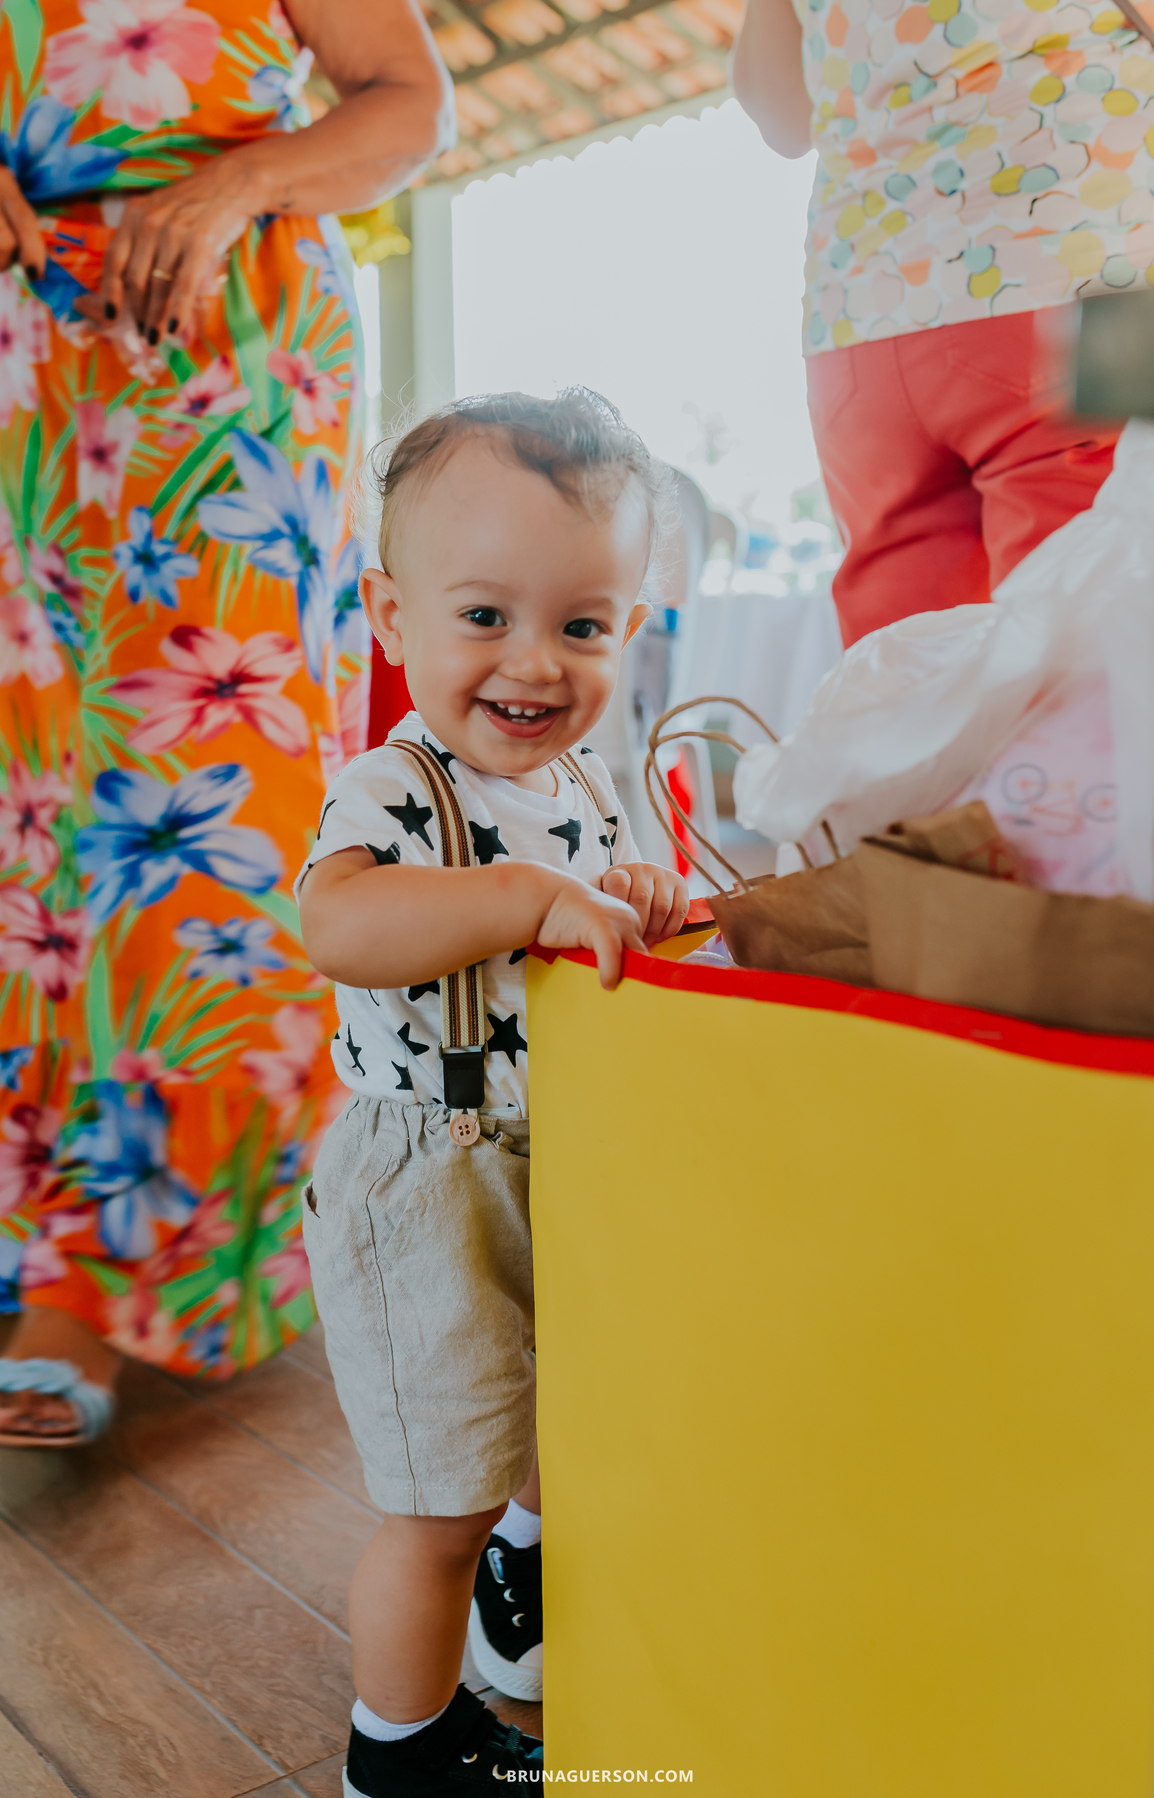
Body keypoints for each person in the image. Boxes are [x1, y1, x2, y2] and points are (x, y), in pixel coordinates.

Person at [0, 0, 453, 1445]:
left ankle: (118, 1263)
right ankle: (38, 1235)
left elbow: (409, 102)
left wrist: (241, 178)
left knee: (205, 802)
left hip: (232, 355)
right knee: (31, 812)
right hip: (25, 360)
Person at [297, 390, 689, 1794]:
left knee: (553, 1420)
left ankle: (517, 1617)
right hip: (429, 1180)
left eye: (581, 625)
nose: (534, 661)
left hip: (555, 1159)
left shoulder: (584, 778)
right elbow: (338, 928)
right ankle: (403, 1749)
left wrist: (629, 885)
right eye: (483, 617)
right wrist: (524, 895)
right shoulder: (393, 787)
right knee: (437, 1501)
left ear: (627, 629)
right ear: (391, 613)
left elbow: (595, 918)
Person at [731, 0, 1154, 645]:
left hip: (866, 318)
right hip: (1076, 278)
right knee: (1088, 668)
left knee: (905, 691)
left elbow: (780, 113)